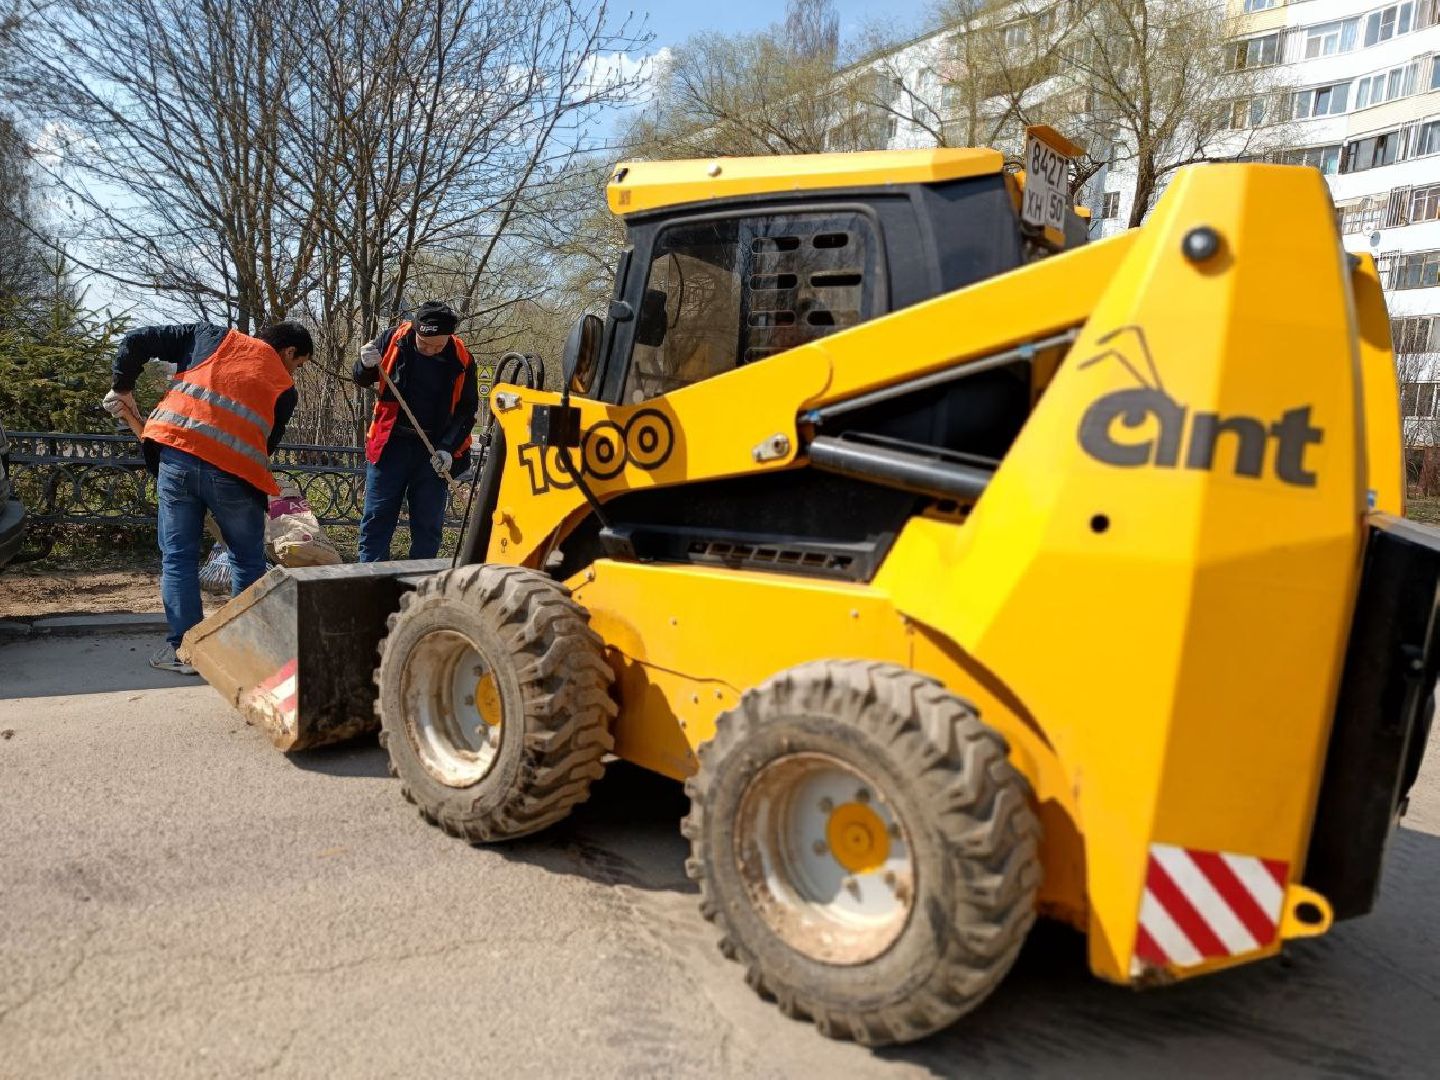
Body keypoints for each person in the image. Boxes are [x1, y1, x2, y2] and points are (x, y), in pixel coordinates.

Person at [104, 321, 312, 674]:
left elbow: (137, 338)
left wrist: (123, 387)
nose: (295, 370)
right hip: (233, 476)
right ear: (289, 351)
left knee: (178, 558)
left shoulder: (209, 337)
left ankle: (185, 653)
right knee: (247, 560)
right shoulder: (285, 389)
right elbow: (264, 448)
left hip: (177, 459)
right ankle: (239, 651)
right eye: (299, 363)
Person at [355, 300, 478, 562]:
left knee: (428, 524)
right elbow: (363, 378)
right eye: (425, 344)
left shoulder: (462, 358)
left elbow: (467, 411)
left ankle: (420, 586)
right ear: (415, 330)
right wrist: (364, 364)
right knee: (377, 517)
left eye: (438, 345)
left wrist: (447, 447)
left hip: (433, 450)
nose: (431, 350)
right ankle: (369, 583)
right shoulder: (393, 339)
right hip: (391, 443)